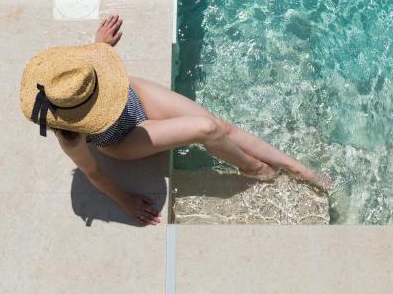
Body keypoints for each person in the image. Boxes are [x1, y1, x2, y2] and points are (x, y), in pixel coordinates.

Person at [20, 15, 331, 225]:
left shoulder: (69, 73)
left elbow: (83, 72)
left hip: (133, 95)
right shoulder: (69, 135)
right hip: (122, 138)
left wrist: (100, 45)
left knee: (220, 126)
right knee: (207, 128)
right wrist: (123, 200)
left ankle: (296, 167)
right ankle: (255, 169)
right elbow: (94, 172)